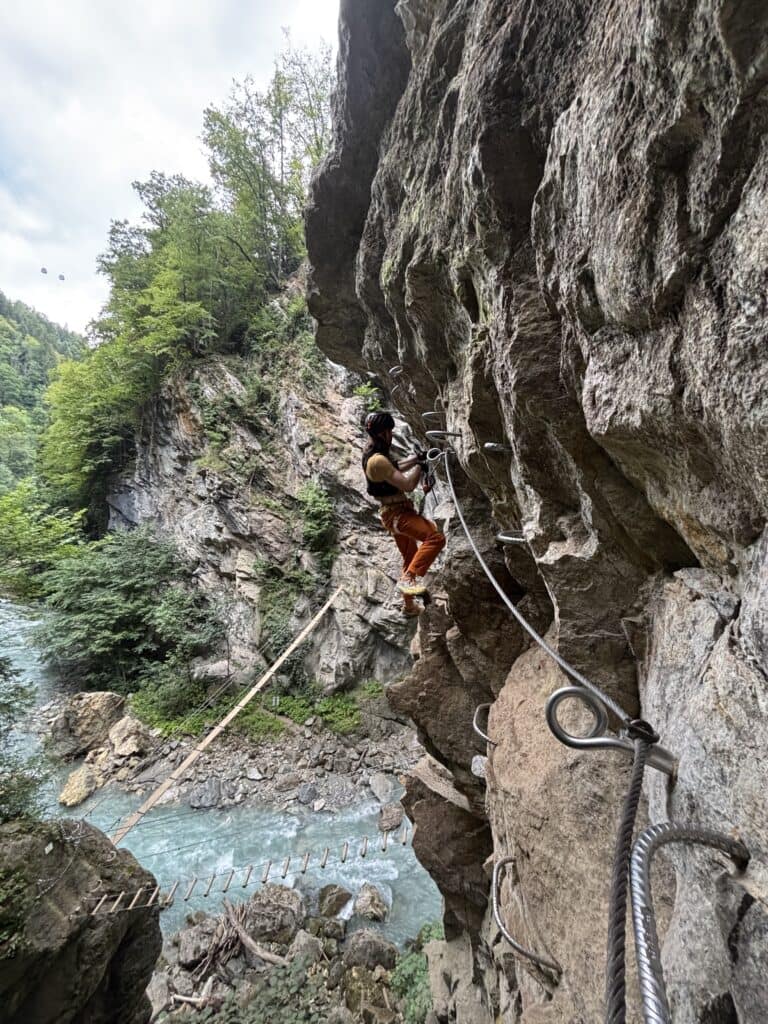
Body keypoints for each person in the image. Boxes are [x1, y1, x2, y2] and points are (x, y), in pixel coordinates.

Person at [362, 411, 446, 616]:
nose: (391, 435)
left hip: (394, 514)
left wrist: (417, 458)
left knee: (410, 557)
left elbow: (395, 467)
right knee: (435, 538)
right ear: (383, 433)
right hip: (398, 515)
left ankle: (409, 607)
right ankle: (408, 579)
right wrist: (420, 466)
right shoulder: (377, 460)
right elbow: (408, 485)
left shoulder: (374, 455)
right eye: (389, 431)